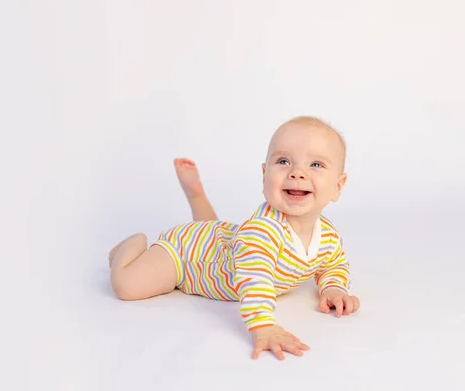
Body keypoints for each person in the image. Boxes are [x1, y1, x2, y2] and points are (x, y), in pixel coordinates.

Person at [108, 116, 361, 360]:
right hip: (186, 257)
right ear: (264, 175)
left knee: (215, 233)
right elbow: (255, 279)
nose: (297, 173)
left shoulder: (327, 235)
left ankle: (197, 196)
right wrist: (263, 326)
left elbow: (334, 264)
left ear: (338, 186)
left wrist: (333, 287)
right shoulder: (262, 232)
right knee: (127, 286)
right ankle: (130, 246)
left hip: (216, 241)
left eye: (315, 165)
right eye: (283, 161)